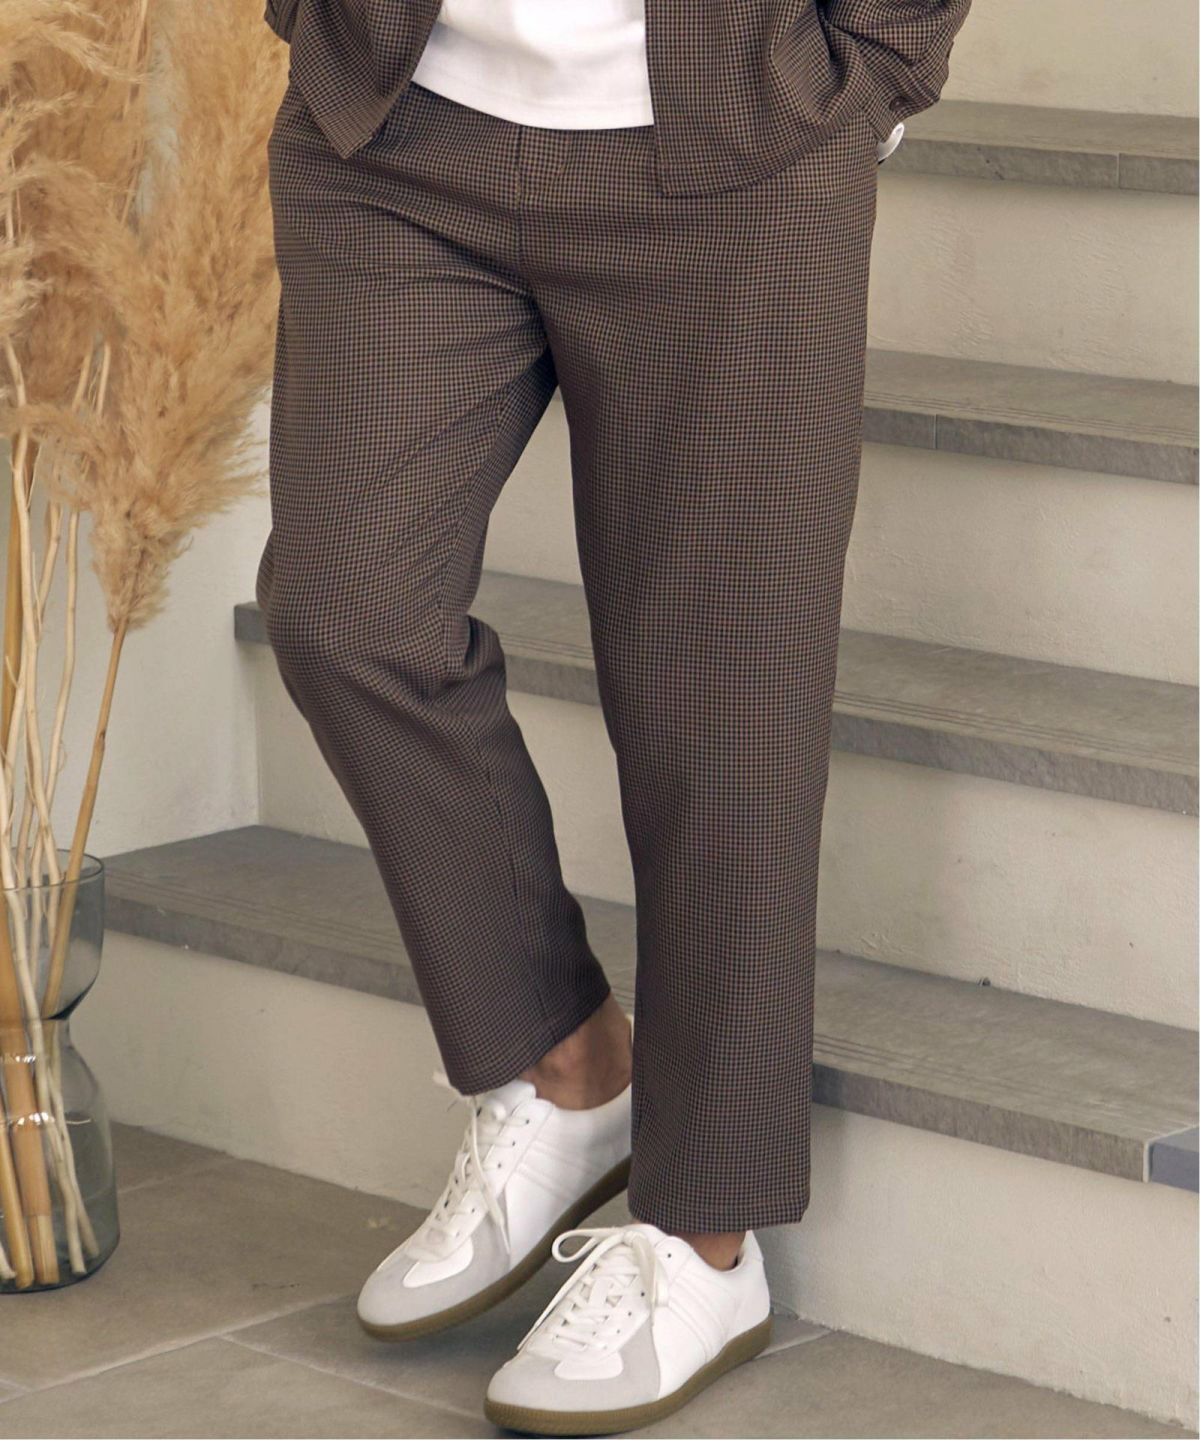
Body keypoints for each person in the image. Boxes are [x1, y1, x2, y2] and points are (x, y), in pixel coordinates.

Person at [257, 0, 971, 1431]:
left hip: (732, 139)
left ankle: (706, 1236)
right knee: (344, 610)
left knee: (721, 697)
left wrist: (874, 64)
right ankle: (571, 1064)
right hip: (400, 122)